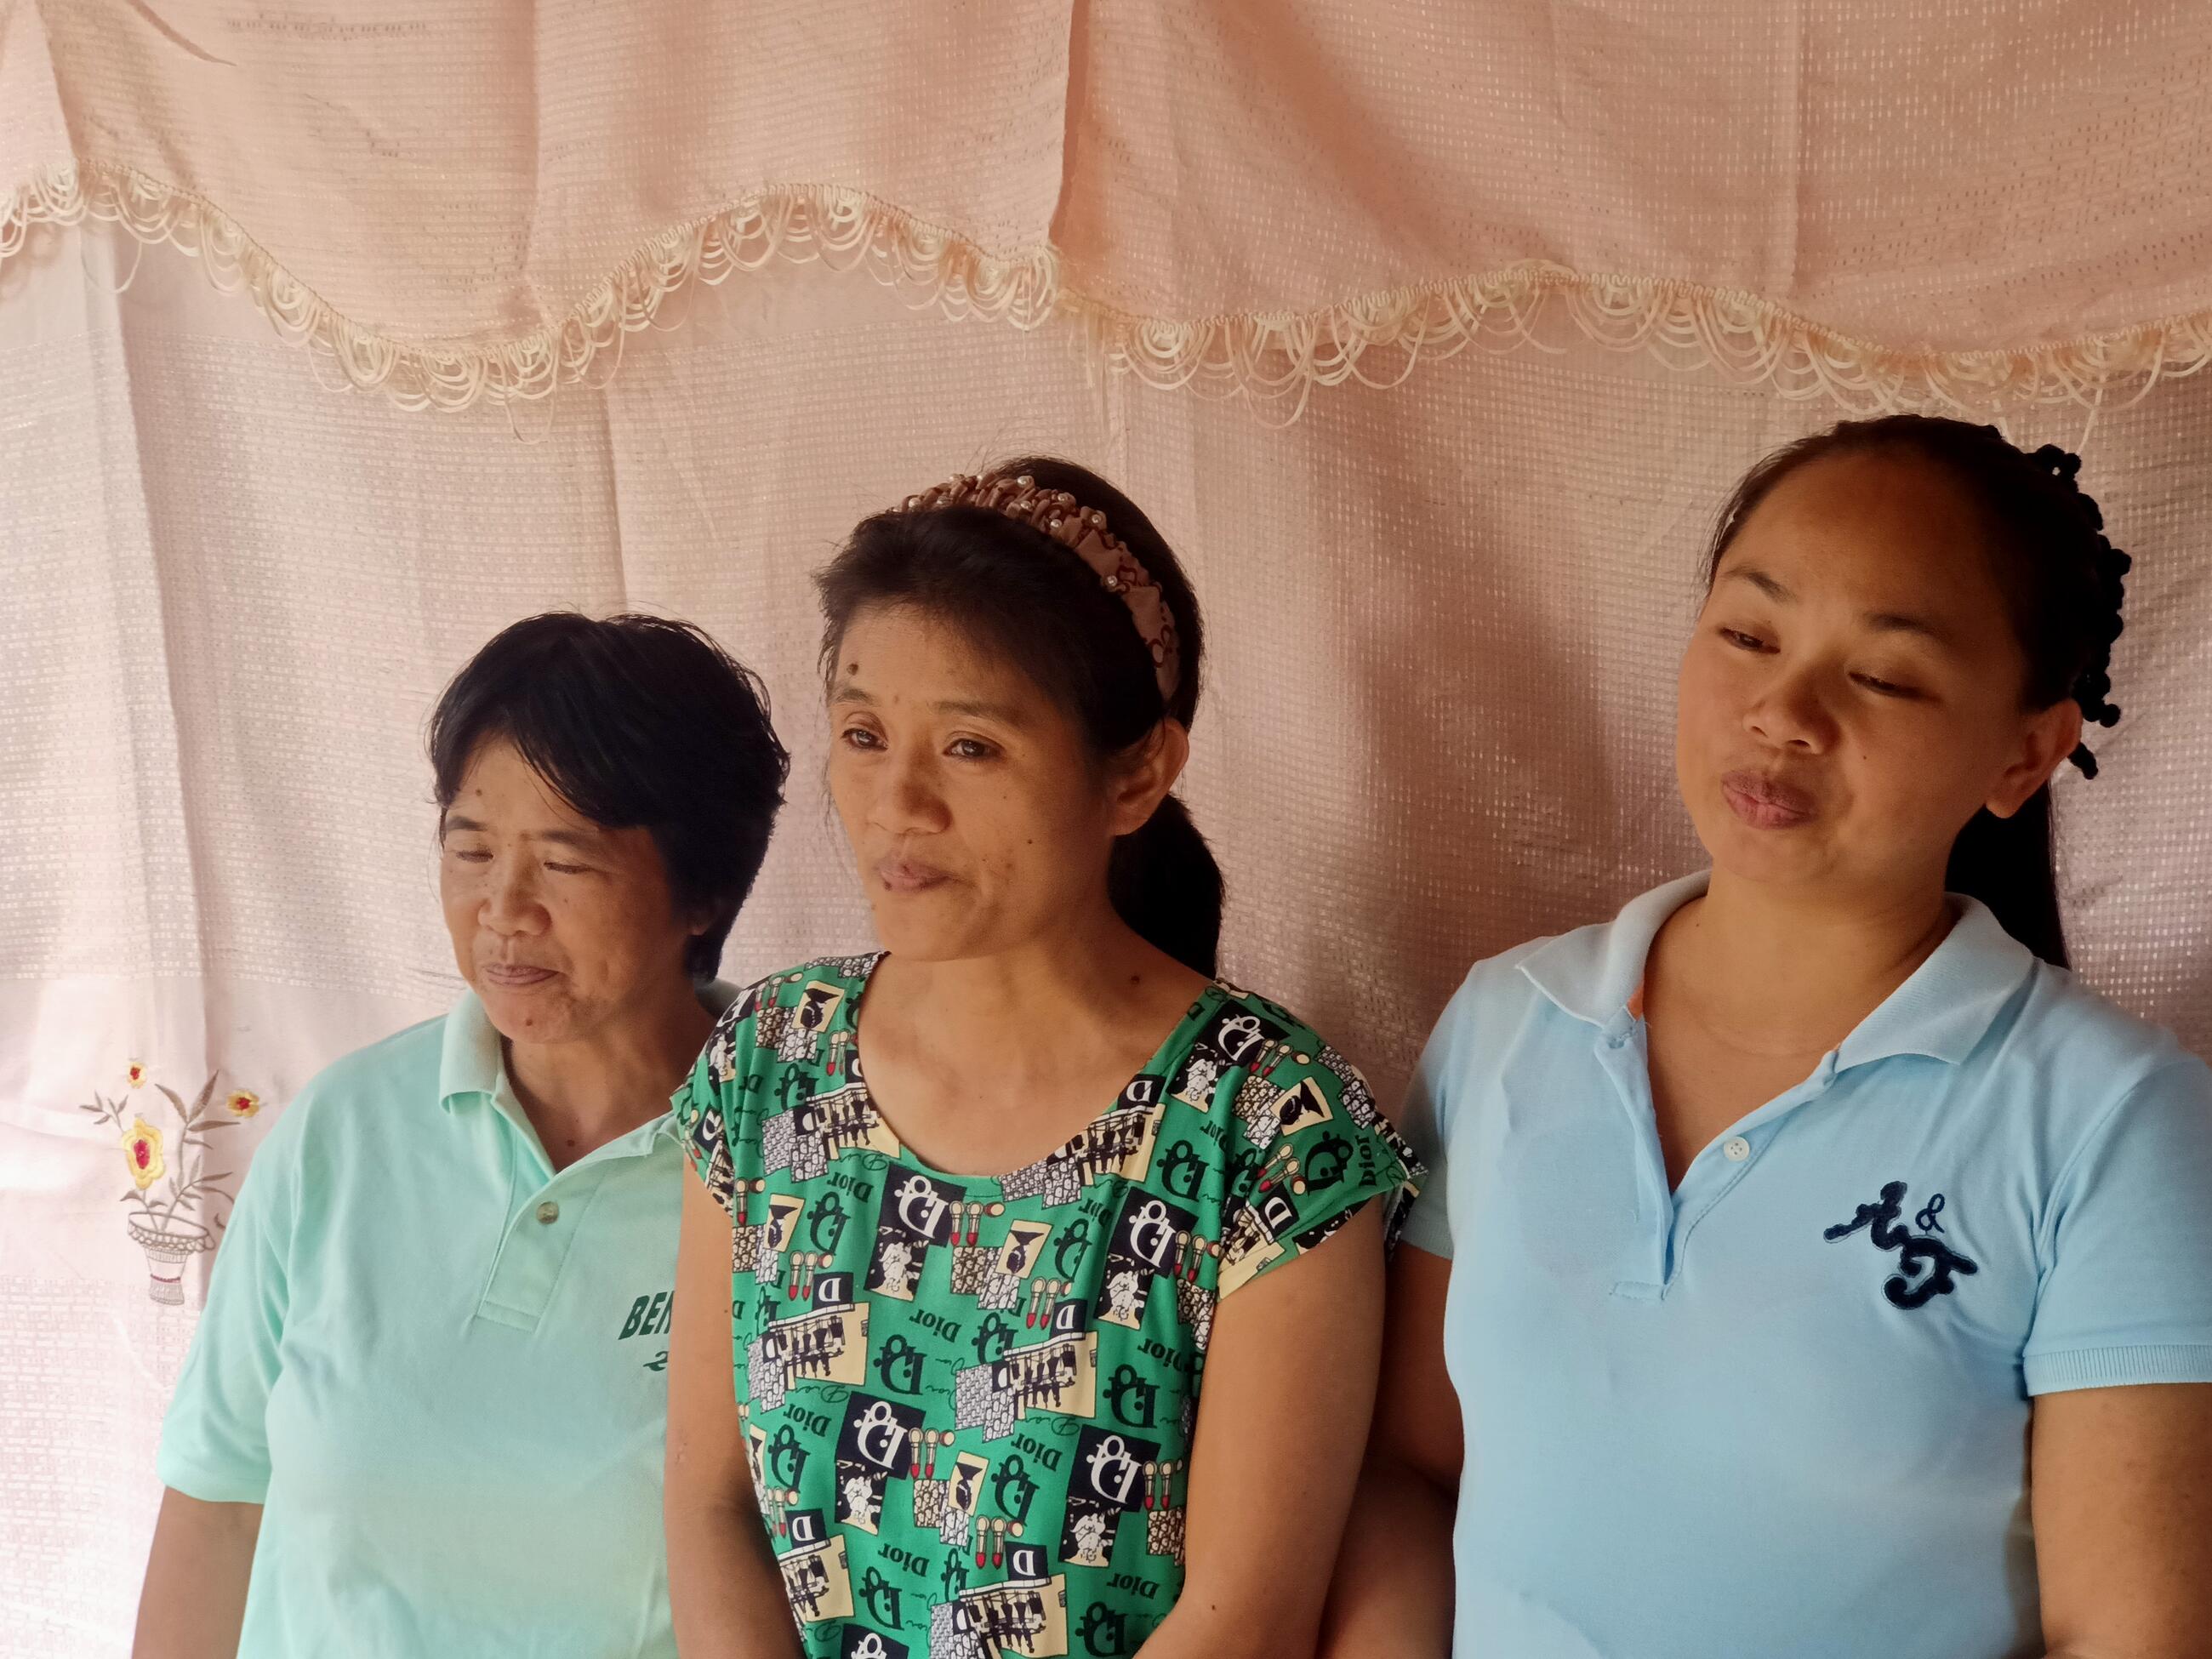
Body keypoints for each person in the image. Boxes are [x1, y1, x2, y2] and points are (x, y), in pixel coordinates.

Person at [1324, 415, 2212, 1659]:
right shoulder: (1508, 1020)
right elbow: (1412, 1468)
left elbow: (2128, 1633)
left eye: (1884, 676)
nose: (1784, 711)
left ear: (2025, 753)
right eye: (1749, 634)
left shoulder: (2113, 1118)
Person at [663, 460, 1420, 1658]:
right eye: (863, 734)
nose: (896, 801)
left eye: (970, 746)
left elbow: (1248, 1617)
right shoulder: (767, 1060)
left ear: (1136, 774)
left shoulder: (1271, 1122)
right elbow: (712, 1509)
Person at [135, 613, 789, 1658]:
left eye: (565, 863)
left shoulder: (792, 1165)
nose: (503, 910)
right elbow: (218, 1505)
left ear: (703, 889)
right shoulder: (344, 1131)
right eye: (471, 849)